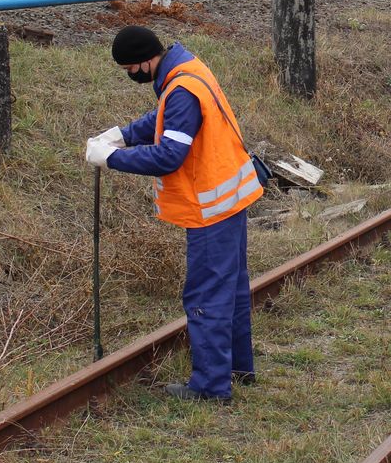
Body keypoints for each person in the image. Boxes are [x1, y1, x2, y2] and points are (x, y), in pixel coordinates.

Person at [85, 25, 264, 404]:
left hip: (210, 209)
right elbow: (166, 119)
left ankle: (211, 387)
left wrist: (113, 158)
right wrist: (122, 134)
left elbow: (169, 154)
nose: (131, 76)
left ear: (145, 60)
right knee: (230, 290)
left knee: (206, 295)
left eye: (130, 69)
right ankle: (238, 368)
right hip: (230, 199)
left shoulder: (181, 88)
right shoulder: (187, 69)